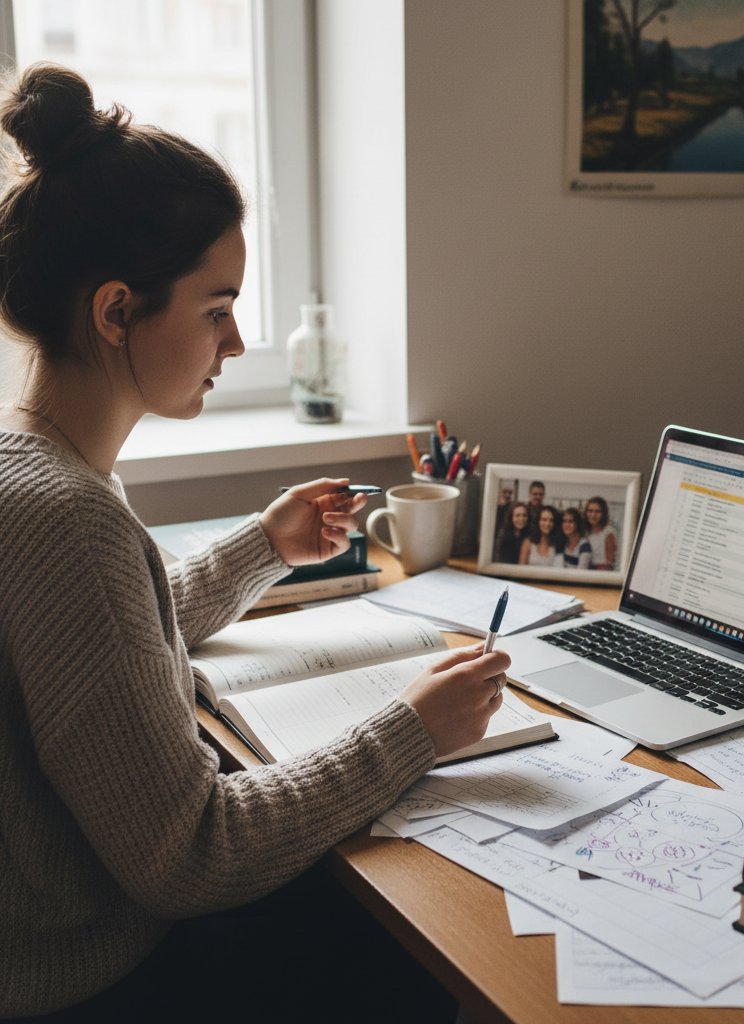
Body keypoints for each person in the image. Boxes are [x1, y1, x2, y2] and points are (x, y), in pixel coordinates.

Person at [0, 63, 511, 1020]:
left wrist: (262, 547)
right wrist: (415, 729)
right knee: (423, 942)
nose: (234, 345)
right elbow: (194, 856)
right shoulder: (67, 517)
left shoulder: (32, 470)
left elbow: (106, 650)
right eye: (216, 309)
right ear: (116, 311)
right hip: (92, 982)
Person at [584, 495, 618, 570]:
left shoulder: (608, 532)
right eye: (590, 511)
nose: (593, 515)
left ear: (603, 513)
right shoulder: (586, 531)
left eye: (597, 511)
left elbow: (610, 563)